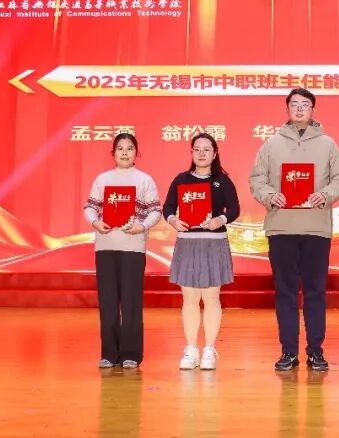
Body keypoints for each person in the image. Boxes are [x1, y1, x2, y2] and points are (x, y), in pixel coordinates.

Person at [249, 88, 339, 372]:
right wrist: (270, 196)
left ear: (313, 109)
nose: (300, 108)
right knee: (286, 293)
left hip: (316, 229)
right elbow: (257, 179)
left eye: (305, 104)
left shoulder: (328, 144)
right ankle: (288, 351)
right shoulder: (271, 144)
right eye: (294, 104)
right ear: (287, 109)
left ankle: (316, 351)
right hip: (281, 227)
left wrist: (325, 195)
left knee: (316, 293)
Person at [84, 132, 162, 369]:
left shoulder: (144, 180)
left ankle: (131, 353)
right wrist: (95, 222)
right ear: (113, 153)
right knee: (107, 300)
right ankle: (109, 353)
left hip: (133, 247)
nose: (125, 153)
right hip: (106, 246)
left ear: (136, 153)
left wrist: (142, 226)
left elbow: (155, 211)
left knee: (131, 301)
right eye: (120, 148)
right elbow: (90, 207)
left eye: (129, 148)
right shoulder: (102, 179)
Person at [163, 132, 240, 371]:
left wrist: (220, 220)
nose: (202, 153)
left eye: (207, 149)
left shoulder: (222, 181)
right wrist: (173, 220)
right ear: (191, 153)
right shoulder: (181, 179)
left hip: (213, 243)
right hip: (188, 244)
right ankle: (191, 349)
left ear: (215, 153)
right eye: (197, 149)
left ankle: (208, 349)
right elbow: (168, 207)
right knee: (190, 298)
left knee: (211, 297)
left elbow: (234, 209)